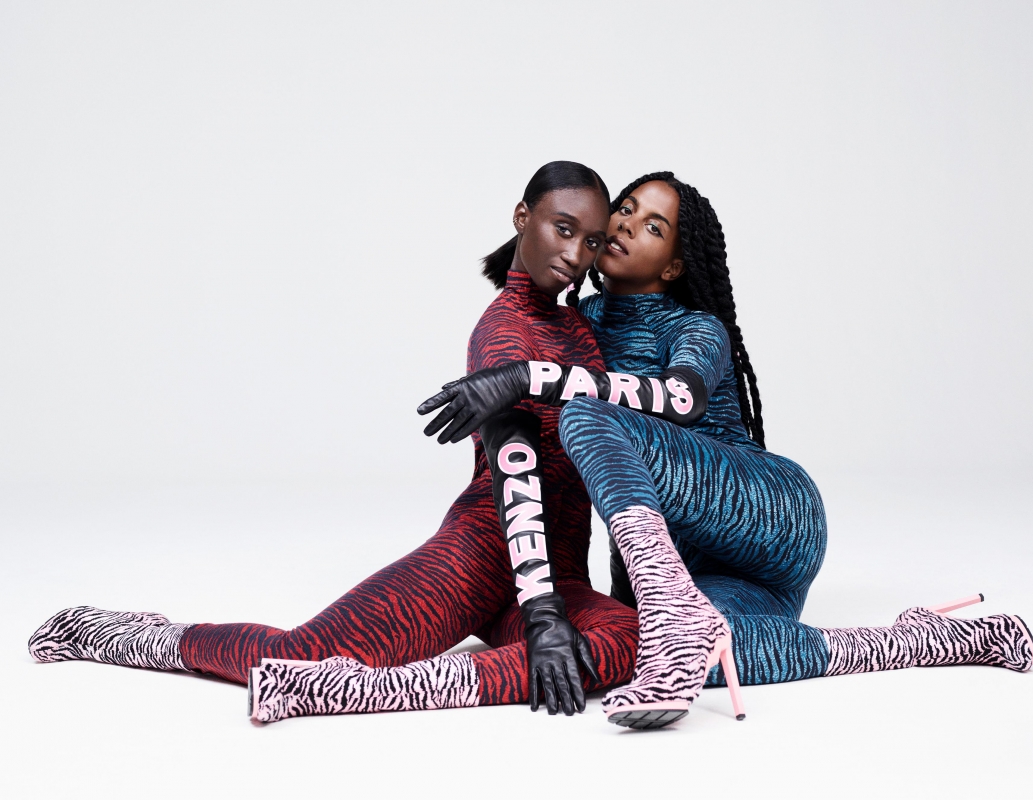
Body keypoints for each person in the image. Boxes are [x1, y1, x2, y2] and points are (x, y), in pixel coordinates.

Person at [419, 172, 1033, 730]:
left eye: (653, 226)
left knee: (587, 413)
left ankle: (669, 605)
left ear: (674, 267)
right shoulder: (578, 321)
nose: (627, 226)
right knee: (682, 654)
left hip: (771, 517)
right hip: (701, 578)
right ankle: (927, 642)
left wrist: (526, 376)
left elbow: (680, 400)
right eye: (626, 210)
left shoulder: (696, 328)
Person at [28, 161, 645, 721]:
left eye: (592, 241)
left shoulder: (579, 328)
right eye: (563, 229)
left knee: (637, 640)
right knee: (301, 654)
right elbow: (516, 468)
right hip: (481, 560)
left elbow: (652, 406)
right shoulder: (502, 332)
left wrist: (549, 603)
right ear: (522, 217)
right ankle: (142, 637)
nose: (575, 254)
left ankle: (380, 688)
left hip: (556, 574)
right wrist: (543, 617)